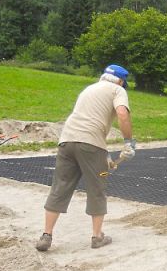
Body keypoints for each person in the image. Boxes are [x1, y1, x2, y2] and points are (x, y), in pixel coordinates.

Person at [35, 64, 136, 252]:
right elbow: (122, 114)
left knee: (60, 186)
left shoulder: (89, 89)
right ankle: (97, 237)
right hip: (91, 143)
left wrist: (103, 153)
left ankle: (46, 235)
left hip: (66, 140)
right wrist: (128, 142)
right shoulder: (117, 90)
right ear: (121, 81)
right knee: (97, 188)